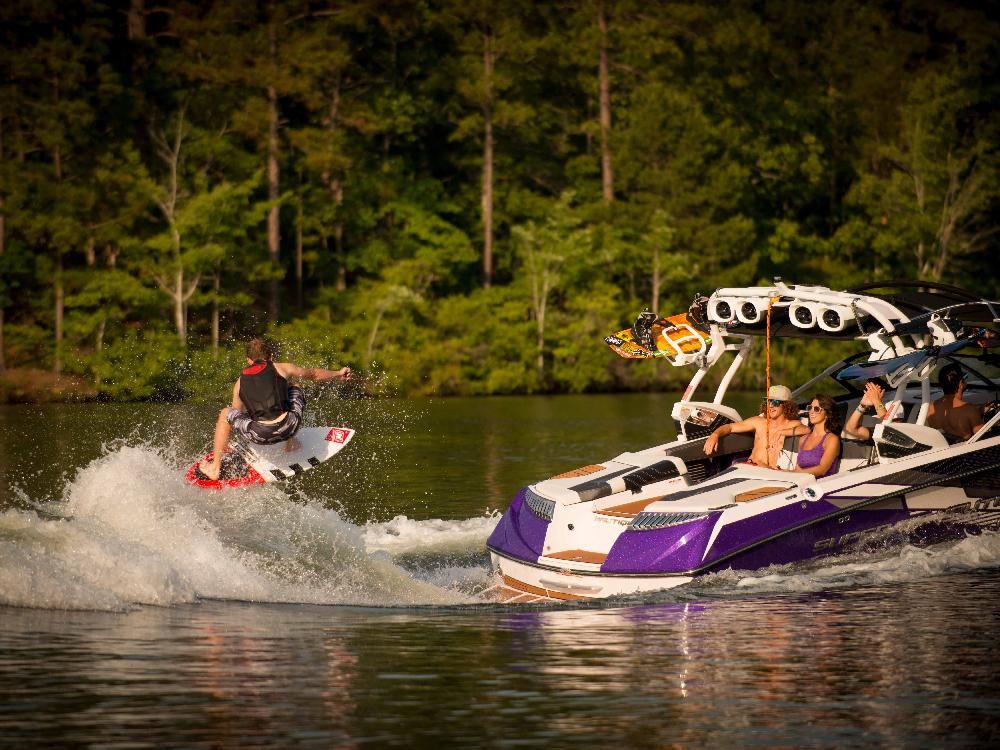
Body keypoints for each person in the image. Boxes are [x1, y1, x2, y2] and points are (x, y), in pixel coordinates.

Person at [198, 337, 352, 480]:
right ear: (270, 356)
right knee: (295, 387)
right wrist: (338, 373)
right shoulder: (282, 367)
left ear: (248, 360)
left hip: (259, 434)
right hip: (290, 426)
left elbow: (237, 414)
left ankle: (215, 468)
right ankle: (290, 443)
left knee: (226, 413)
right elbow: (314, 374)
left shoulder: (239, 383)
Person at [703, 384, 808, 468]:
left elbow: (806, 430)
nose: (770, 405)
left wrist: (781, 432)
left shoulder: (793, 424)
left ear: (786, 405)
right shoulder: (758, 421)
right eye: (768, 401)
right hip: (751, 466)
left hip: (771, 471)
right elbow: (730, 427)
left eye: (775, 402)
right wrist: (715, 435)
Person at [785, 394, 841, 478]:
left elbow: (822, 469)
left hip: (822, 484)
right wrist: (784, 472)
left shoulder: (831, 439)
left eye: (816, 409)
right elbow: (797, 469)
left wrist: (795, 473)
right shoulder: (803, 439)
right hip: (802, 481)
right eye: (810, 408)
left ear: (827, 414)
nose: (811, 411)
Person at [926, 362, 983, 440]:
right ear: (960, 383)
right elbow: (981, 437)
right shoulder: (969, 409)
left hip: (943, 446)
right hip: (965, 447)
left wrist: (979, 412)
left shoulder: (931, 408)